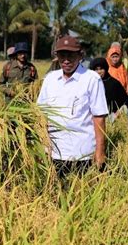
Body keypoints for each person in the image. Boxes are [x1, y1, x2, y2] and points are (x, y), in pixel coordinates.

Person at [37, 36, 108, 178]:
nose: (66, 60)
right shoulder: (50, 79)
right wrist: (42, 146)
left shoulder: (91, 79)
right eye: (62, 55)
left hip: (82, 153)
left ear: (80, 55)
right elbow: (41, 115)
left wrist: (100, 151)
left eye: (71, 55)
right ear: (57, 56)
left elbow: (99, 118)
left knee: (82, 194)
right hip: (55, 151)